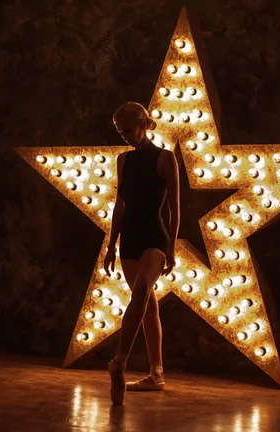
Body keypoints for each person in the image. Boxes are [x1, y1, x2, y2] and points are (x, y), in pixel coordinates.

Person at [103, 101, 180, 406]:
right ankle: (156, 374)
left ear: (144, 124)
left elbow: (174, 209)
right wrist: (111, 246)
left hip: (154, 237)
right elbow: (119, 207)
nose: (124, 136)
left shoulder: (165, 159)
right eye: (120, 132)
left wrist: (172, 246)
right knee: (148, 307)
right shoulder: (123, 161)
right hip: (129, 240)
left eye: (128, 130)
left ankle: (119, 361)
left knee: (143, 291)